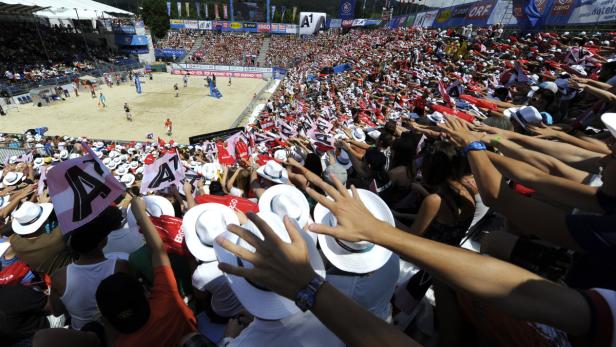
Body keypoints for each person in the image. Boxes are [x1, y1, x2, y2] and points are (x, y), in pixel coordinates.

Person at [49, 207, 131, 330]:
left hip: (83, 334)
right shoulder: (120, 266)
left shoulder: (59, 277)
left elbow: (56, 312)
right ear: (104, 241)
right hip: (117, 328)